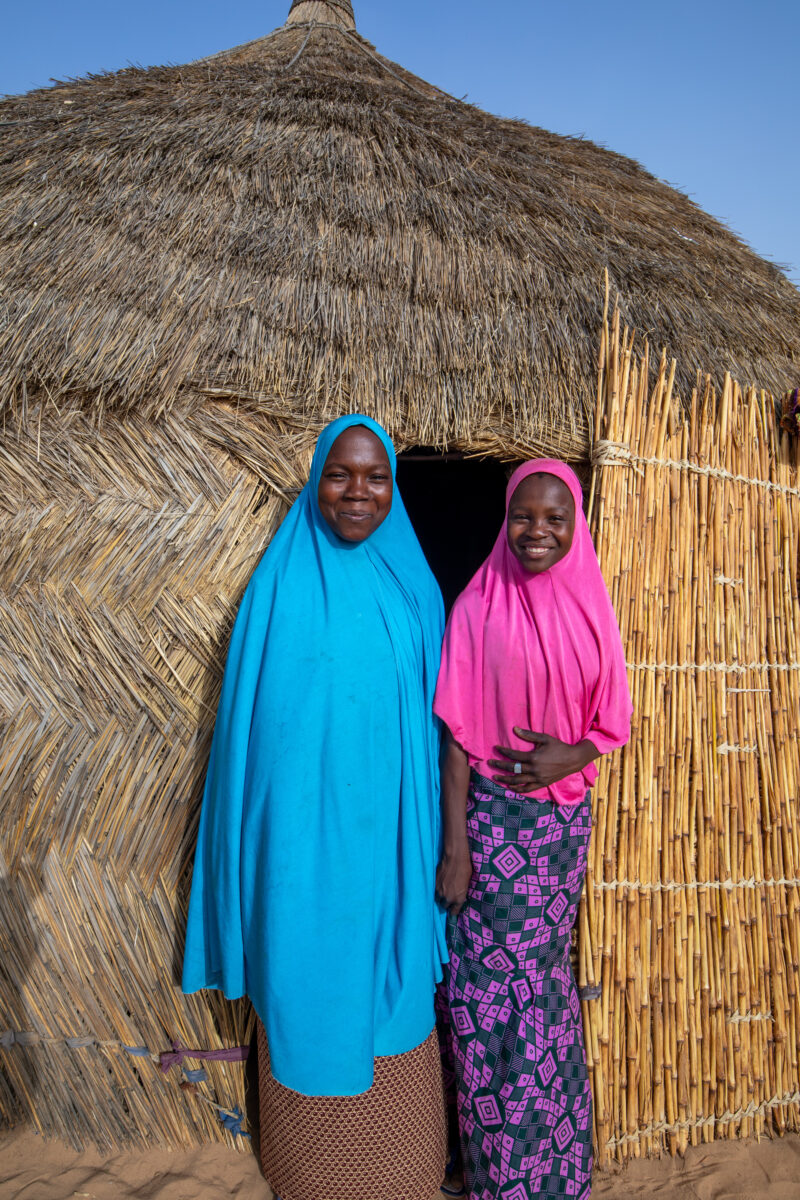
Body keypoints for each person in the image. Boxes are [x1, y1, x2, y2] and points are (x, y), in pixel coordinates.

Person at [182, 414, 448, 1200]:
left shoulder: (414, 588)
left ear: (394, 487)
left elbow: (442, 728)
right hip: (299, 852)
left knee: (391, 995)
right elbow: (249, 744)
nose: (357, 491)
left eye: (376, 476)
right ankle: (310, 1171)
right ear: (315, 481)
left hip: (392, 844)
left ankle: (399, 1166)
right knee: (306, 976)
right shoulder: (280, 586)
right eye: (341, 474)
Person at [434, 460, 631, 1200]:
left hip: (555, 829)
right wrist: (456, 845)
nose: (537, 531)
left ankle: (555, 1166)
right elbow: (455, 732)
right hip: (487, 825)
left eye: (555, 518)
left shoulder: (590, 606)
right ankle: (497, 1169)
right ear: (504, 520)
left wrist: (568, 754)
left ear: (574, 523)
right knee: (481, 993)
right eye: (524, 516)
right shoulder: (478, 605)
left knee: (541, 991)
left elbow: (612, 720)